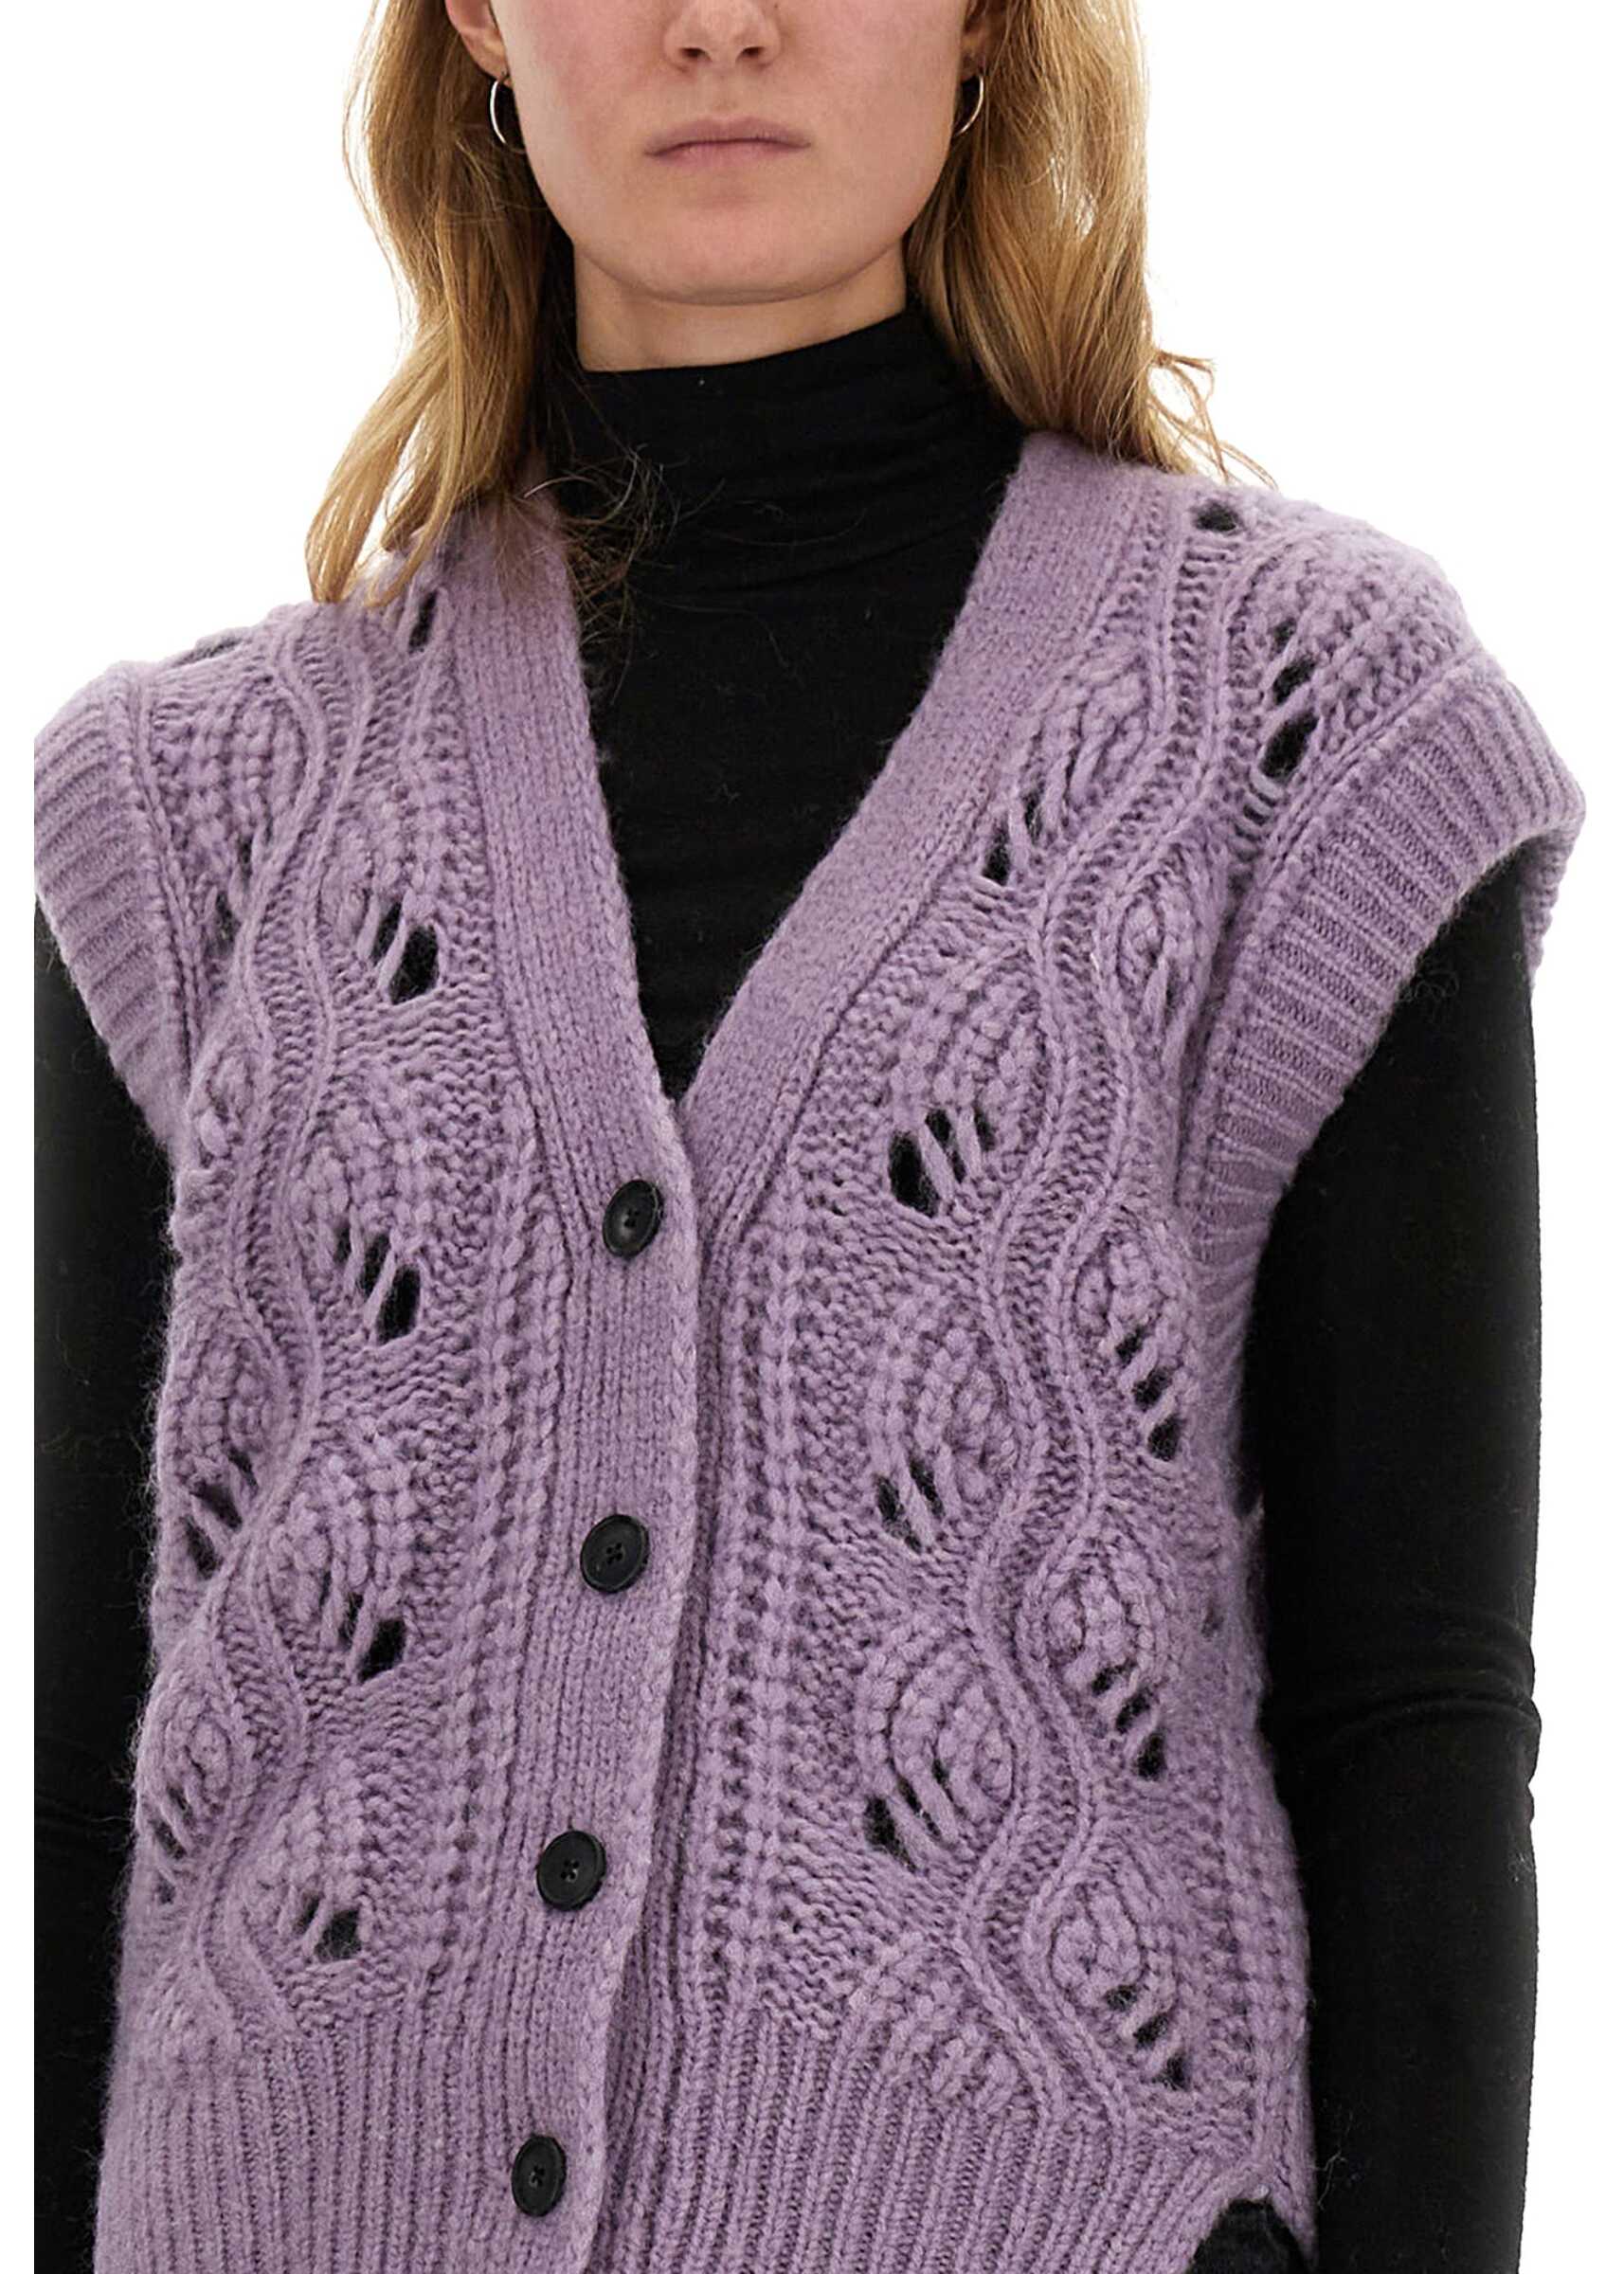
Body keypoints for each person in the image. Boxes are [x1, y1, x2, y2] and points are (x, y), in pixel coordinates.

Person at [33, 4, 1585, 2271]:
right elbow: (101, 1732)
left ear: (982, 23)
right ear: (477, 20)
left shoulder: (1295, 728)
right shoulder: (196, 812)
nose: (721, 24)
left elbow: (1413, 1717)